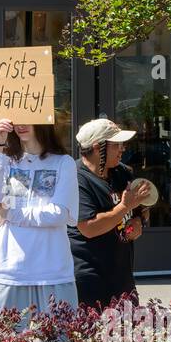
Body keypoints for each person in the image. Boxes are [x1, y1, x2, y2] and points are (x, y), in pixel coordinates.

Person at [0, 118, 80, 327]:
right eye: (16, 119)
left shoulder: (63, 163)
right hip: (5, 270)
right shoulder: (3, 160)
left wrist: (11, 214)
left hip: (52, 271)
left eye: (29, 118)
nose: (21, 125)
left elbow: (58, 213)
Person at [69, 118, 151, 308]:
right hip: (89, 280)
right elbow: (88, 227)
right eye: (117, 145)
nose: (122, 149)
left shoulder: (122, 172)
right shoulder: (76, 177)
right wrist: (124, 207)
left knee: (127, 335)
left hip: (122, 276)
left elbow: (141, 208)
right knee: (93, 337)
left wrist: (140, 222)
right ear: (98, 148)